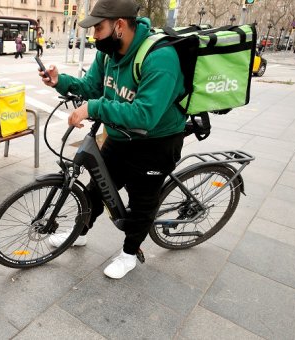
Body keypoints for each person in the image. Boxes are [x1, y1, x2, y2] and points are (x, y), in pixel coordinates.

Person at [38, 0, 186, 280]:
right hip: (119, 136)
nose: (94, 36)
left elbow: (145, 115)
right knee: (97, 189)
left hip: (156, 142)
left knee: (142, 202)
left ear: (119, 25)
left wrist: (94, 108)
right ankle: (79, 232)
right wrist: (60, 81)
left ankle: (129, 254)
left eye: (98, 28)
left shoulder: (160, 57)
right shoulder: (108, 54)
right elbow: (91, 87)